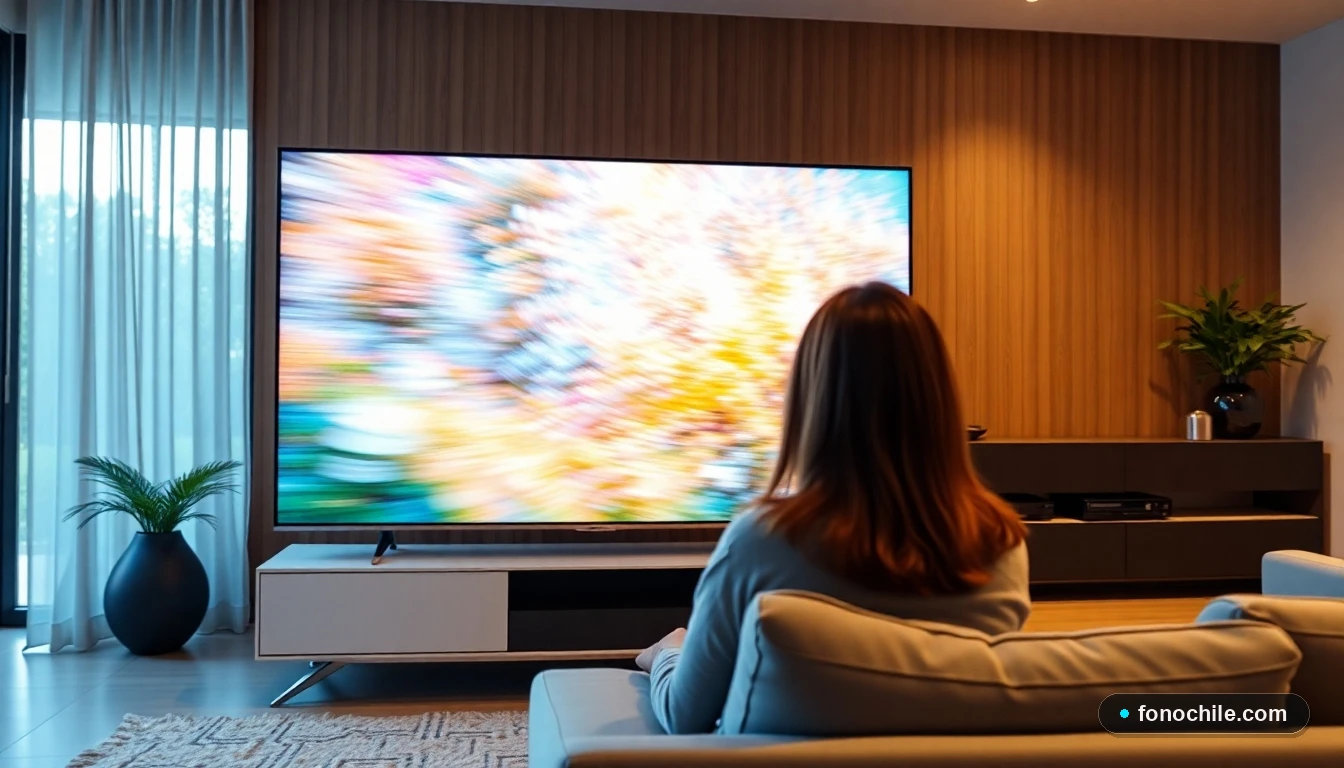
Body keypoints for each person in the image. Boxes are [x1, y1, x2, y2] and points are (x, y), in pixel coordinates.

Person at [634, 281, 1030, 734]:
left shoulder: (763, 539)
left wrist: (667, 653)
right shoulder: (1001, 545)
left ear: (811, 398)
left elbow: (686, 717)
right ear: (939, 398)